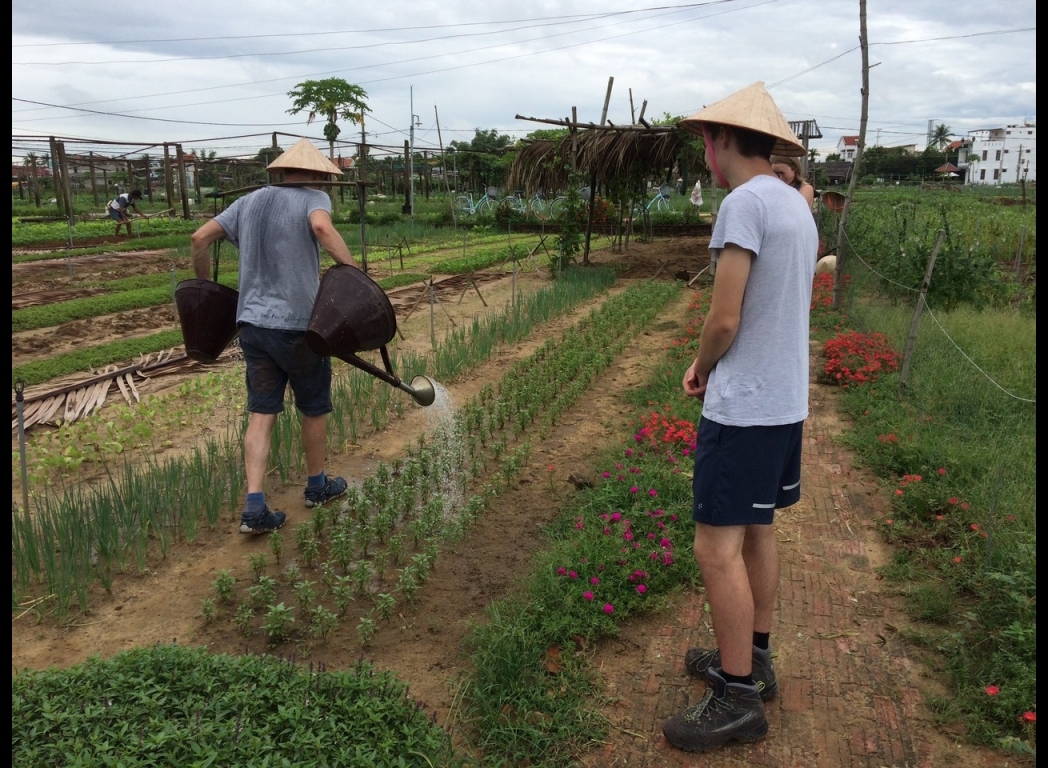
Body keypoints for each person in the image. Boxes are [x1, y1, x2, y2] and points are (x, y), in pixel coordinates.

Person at [662, 82, 817, 753]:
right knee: (758, 530)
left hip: (746, 406)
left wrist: (701, 366)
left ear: (717, 141)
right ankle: (754, 660)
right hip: (784, 403)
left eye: (706, 141)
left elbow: (724, 317)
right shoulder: (795, 204)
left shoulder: (743, 203)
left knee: (714, 546)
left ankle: (737, 698)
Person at [190, 138, 359, 535]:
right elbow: (321, 227)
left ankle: (254, 507)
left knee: (262, 412)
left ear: (281, 171)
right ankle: (317, 487)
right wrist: (354, 274)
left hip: (252, 325)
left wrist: (205, 290)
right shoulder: (314, 198)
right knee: (313, 406)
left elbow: (199, 239)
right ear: (319, 175)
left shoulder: (248, 202)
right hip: (299, 326)